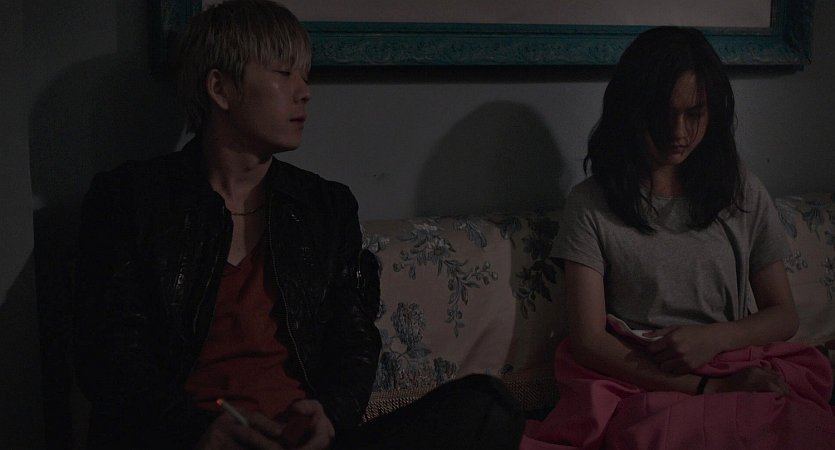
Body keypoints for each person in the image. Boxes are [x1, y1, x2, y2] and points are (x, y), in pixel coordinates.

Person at [72, 1, 523, 449]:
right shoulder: (130, 201)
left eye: (304, 75)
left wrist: (330, 416)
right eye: (284, 73)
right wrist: (195, 431)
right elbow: (110, 358)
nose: (304, 92)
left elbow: (354, 340)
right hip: (199, 441)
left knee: (485, 406)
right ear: (220, 88)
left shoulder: (324, 207)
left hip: (306, 443)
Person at [520, 27, 835, 450]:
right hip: (645, 379)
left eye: (694, 114)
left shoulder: (739, 190)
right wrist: (704, 388)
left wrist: (715, 339)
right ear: (632, 110)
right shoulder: (591, 204)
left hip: (730, 361)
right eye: (662, 114)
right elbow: (590, 341)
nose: (679, 133)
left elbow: (783, 315)